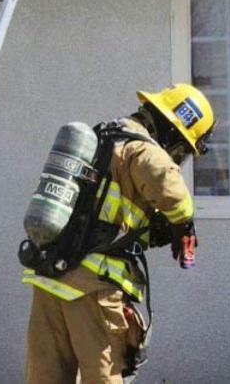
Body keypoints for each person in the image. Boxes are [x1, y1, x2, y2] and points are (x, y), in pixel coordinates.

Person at [22, 82, 215, 384]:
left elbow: (109, 219)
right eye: (181, 150)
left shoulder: (102, 139)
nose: (177, 157)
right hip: (92, 288)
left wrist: (154, 233)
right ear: (173, 130)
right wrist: (183, 223)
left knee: (46, 378)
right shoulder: (141, 148)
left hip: (51, 278)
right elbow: (172, 192)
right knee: (103, 379)